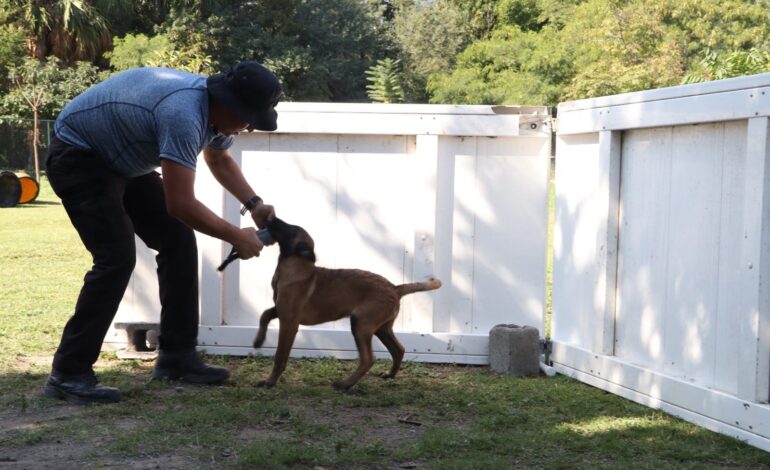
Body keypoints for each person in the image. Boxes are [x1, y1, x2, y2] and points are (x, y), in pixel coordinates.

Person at [43, 61, 281, 404]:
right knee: (116, 258)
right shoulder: (183, 114)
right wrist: (235, 235)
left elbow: (220, 160)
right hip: (79, 154)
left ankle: (176, 357)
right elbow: (180, 204)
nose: (247, 128)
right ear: (228, 103)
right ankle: (67, 374)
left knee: (178, 241)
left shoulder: (217, 113)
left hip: (123, 161)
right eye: (247, 118)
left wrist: (254, 204)